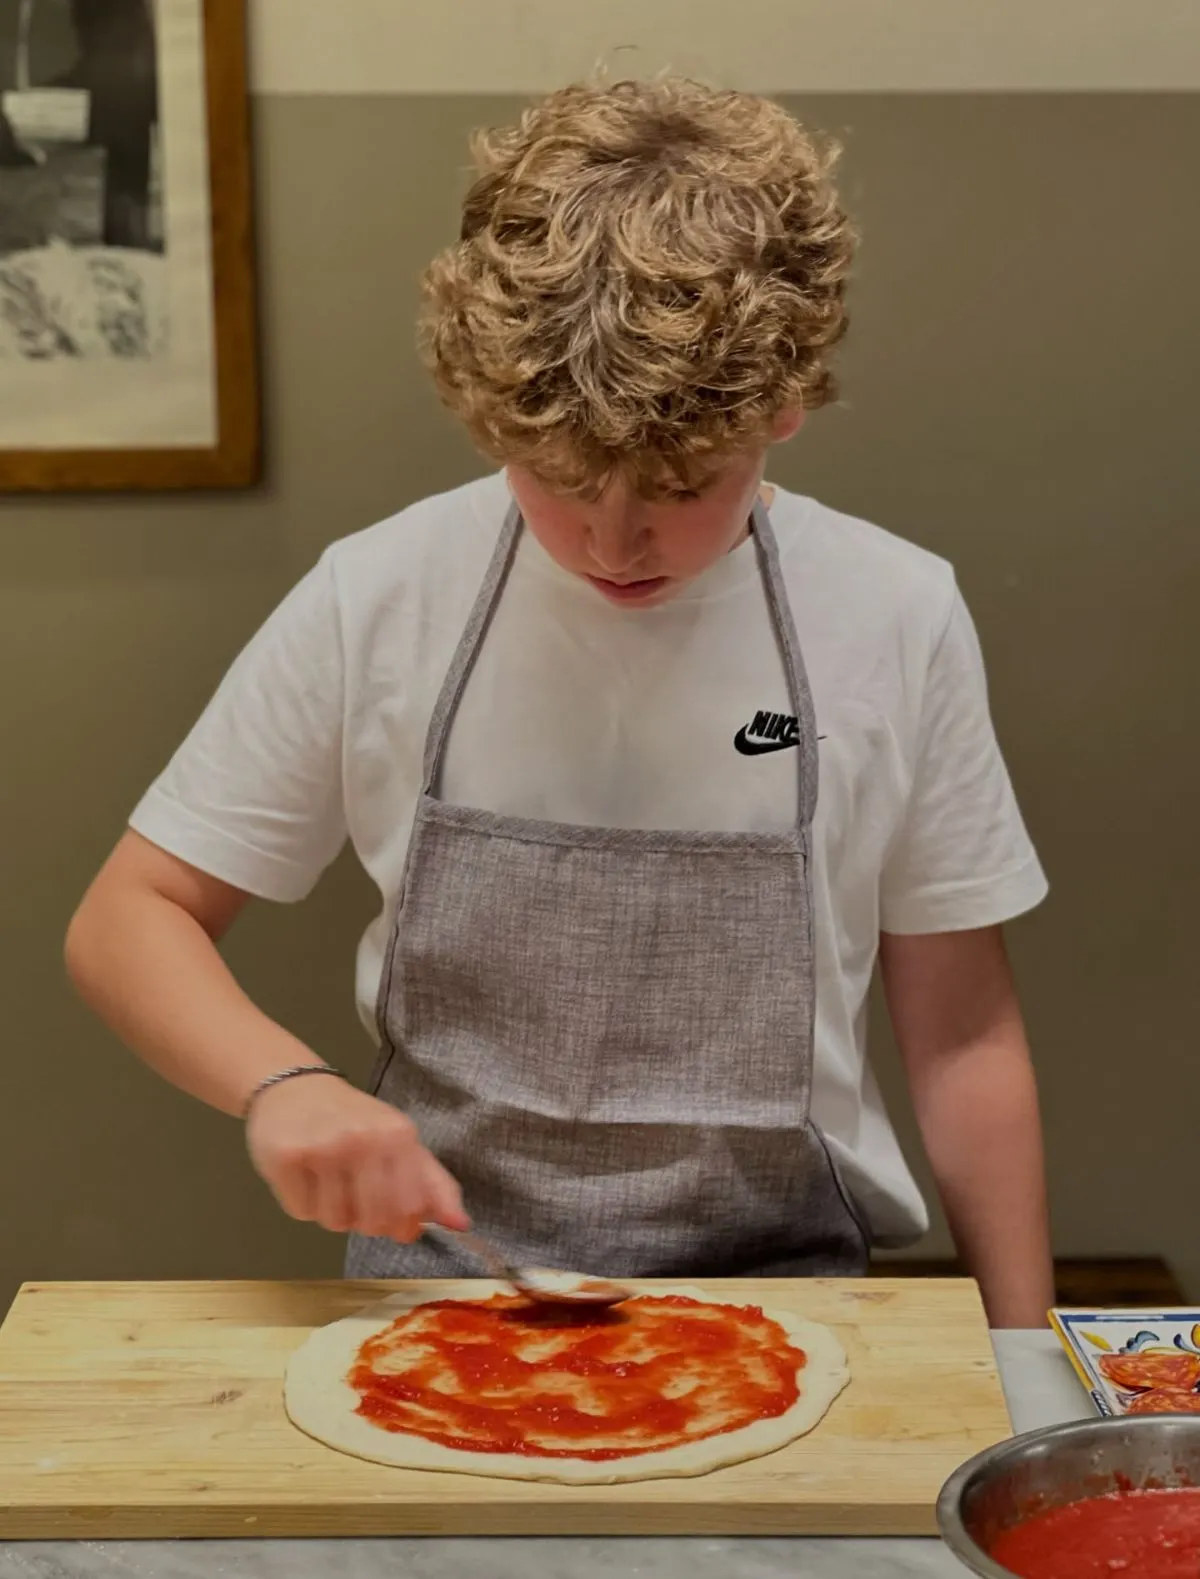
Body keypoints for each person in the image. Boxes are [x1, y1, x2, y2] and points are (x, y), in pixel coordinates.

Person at [66, 78, 1054, 1326]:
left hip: (789, 1300)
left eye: (683, 484)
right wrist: (283, 1084)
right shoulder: (380, 596)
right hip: (448, 1295)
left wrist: (1027, 1362)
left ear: (785, 406)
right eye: (559, 478)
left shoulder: (897, 616)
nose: (615, 540)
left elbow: (962, 1036)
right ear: (490, 418)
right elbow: (128, 917)